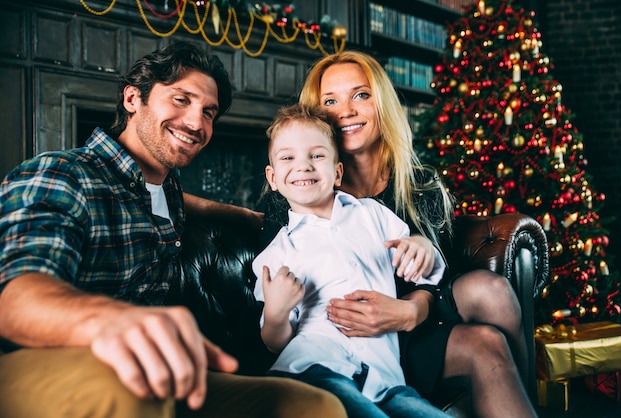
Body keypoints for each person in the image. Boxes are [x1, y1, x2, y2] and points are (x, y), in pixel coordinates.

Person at [0, 41, 347, 418]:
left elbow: (180, 199)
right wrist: (111, 320)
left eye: (209, 112)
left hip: (157, 373)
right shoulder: (62, 174)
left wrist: (250, 217)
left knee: (313, 406)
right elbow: (13, 298)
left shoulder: (167, 189)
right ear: (133, 98)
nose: (196, 123)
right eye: (181, 99)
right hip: (42, 363)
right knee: (128, 393)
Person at [259, 50, 537, 418]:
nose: (346, 110)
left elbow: (440, 275)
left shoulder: (419, 186)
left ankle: (523, 400)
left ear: (382, 104)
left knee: (492, 291)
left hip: (417, 323)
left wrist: (409, 310)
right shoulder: (299, 189)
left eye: (361, 95)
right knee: (484, 341)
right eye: (331, 100)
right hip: (350, 341)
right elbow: (276, 300)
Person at [253, 103, 449, 418]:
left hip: (384, 379)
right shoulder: (277, 253)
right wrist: (276, 314)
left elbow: (426, 270)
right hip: (313, 369)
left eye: (317, 156)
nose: (303, 166)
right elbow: (274, 342)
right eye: (288, 157)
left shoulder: (373, 215)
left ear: (338, 172)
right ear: (273, 177)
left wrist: (421, 246)